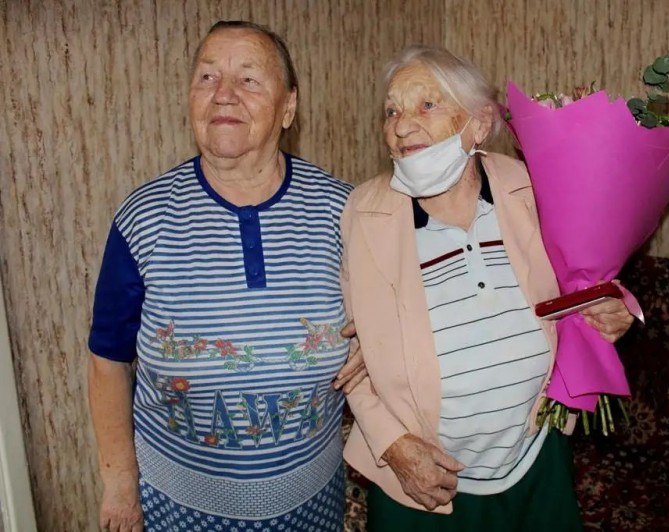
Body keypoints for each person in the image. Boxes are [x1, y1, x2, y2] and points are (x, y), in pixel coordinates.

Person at [340, 45, 636, 531]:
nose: (402, 125)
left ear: (478, 124)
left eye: (426, 105)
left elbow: (583, 280)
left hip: (535, 453)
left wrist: (613, 307)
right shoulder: (365, 213)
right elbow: (352, 357)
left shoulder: (531, 185)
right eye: (391, 111)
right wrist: (393, 444)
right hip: (425, 477)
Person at [88, 21, 364, 532]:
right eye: (207, 76)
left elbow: (396, 309)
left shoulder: (345, 211)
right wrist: (119, 484)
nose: (223, 94)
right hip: (178, 508)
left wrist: (379, 341)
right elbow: (107, 358)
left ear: (288, 107)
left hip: (312, 504)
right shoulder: (144, 218)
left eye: (249, 79)